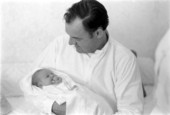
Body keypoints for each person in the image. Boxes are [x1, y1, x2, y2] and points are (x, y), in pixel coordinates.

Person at [20, 0, 144, 115]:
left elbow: (131, 111)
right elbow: (29, 86)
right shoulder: (59, 45)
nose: (69, 43)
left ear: (98, 33)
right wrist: (56, 107)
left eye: (77, 38)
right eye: (69, 35)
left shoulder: (124, 59)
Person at [31, 68, 114, 115]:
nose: (52, 76)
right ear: (40, 84)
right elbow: (51, 102)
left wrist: (60, 82)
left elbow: (69, 87)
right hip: (67, 103)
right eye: (47, 76)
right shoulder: (45, 91)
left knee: (91, 101)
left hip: (78, 97)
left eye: (52, 73)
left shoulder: (60, 82)